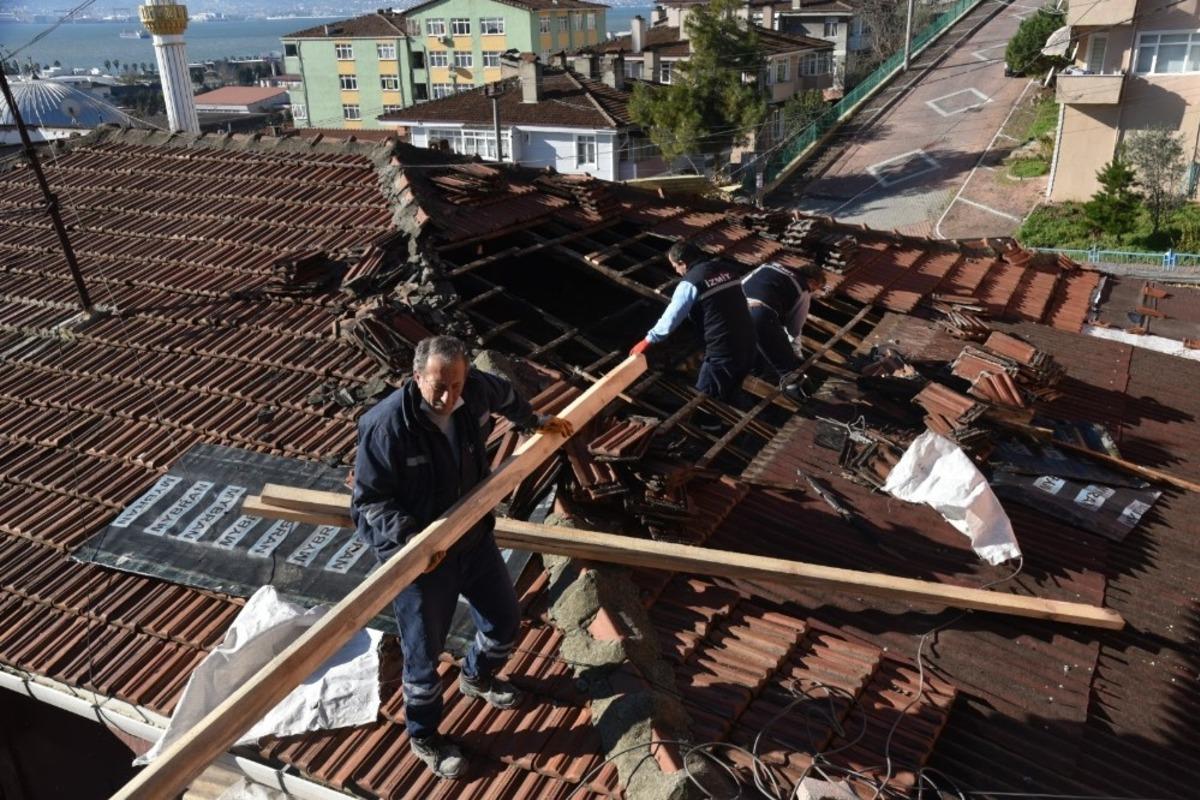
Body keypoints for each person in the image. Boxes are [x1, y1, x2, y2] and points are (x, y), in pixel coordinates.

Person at [351, 335, 573, 780]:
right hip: (423, 560)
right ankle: (425, 736)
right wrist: (415, 539)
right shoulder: (387, 426)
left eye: (457, 385)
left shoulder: (475, 391)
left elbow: (507, 396)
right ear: (417, 377)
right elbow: (369, 501)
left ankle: (476, 676)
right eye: (439, 387)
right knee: (423, 658)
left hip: (472, 538)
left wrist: (532, 422)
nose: (449, 397)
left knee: (505, 620)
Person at [630, 240, 756, 404]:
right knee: (730, 388)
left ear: (682, 263)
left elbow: (672, 317)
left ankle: (709, 419)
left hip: (723, 347)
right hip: (749, 339)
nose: (676, 271)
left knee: (703, 397)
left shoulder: (691, 283)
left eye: (675, 266)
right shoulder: (727, 269)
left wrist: (648, 340)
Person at [741, 261, 826, 396]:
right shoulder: (803, 289)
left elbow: (742, 282)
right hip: (758, 313)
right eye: (815, 288)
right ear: (812, 281)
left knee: (746, 351)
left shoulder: (768, 266)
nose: (813, 292)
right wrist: (796, 356)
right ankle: (803, 397)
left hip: (730, 305)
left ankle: (753, 381)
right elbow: (794, 329)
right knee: (787, 368)